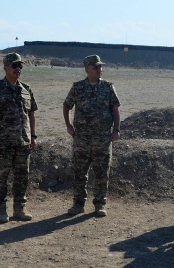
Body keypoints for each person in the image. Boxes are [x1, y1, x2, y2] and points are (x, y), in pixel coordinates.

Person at [63, 54, 121, 217]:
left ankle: (100, 204)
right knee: (79, 173)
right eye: (96, 67)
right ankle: (78, 204)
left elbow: (115, 109)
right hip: (81, 139)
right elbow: (67, 105)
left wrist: (116, 129)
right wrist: (68, 125)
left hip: (102, 139)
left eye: (100, 67)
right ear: (87, 69)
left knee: (102, 173)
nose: (99, 70)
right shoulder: (77, 87)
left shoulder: (108, 87)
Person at [0, 52, 38, 223]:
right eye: (14, 65)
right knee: (1, 177)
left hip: (23, 142)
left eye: (20, 65)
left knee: (22, 176)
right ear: (5, 67)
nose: (18, 69)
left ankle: (19, 208)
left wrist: (33, 136)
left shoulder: (26, 89)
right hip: (3, 142)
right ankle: (0, 209)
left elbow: (31, 114)